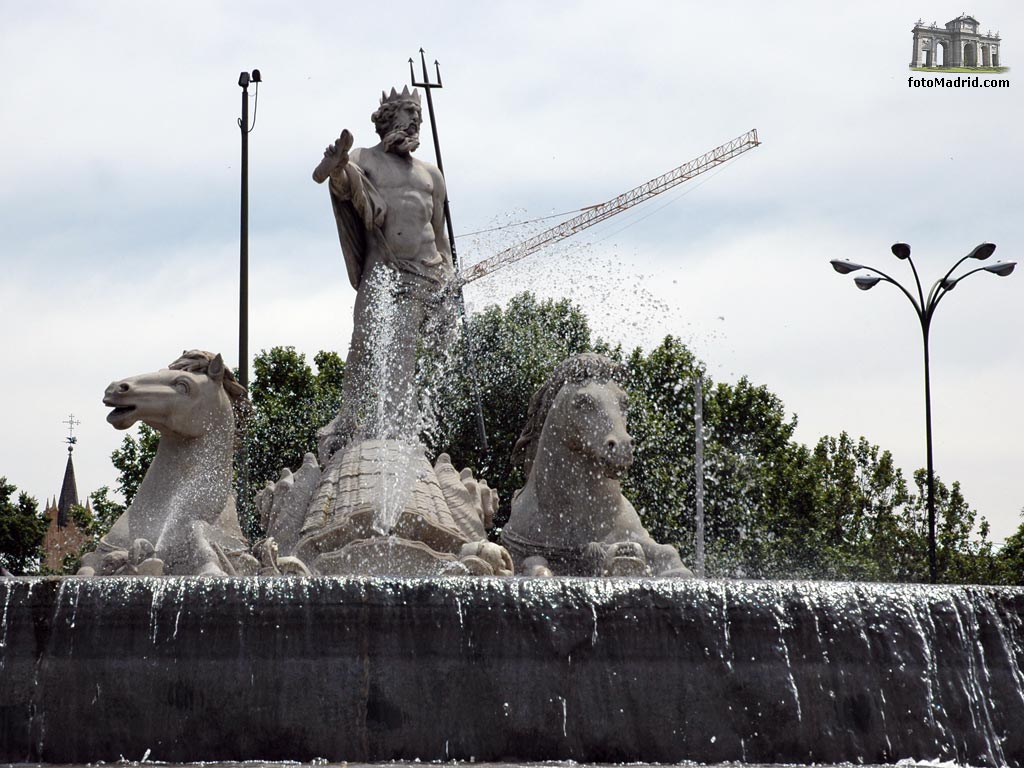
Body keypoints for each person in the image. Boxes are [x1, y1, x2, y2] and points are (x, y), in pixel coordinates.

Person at [313, 86, 455, 460]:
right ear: (388, 119)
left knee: (402, 353)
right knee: (362, 344)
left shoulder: (431, 175)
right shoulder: (364, 159)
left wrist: (451, 280)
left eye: (417, 119)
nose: (414, 125)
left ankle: (394, 428)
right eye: (409, 116)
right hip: (384, 269)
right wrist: (338, 167)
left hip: (424, 273)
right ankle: (349, 420)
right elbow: (348, 189)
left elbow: (439, 234)